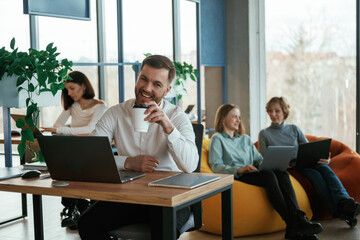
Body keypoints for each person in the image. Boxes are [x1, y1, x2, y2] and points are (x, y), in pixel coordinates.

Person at [77, 55, 198, 240]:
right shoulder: (116, 113)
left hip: (170, 197)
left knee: (163, 230)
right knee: (87, 224)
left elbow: (190, 165)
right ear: (137, 77)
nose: (147, 88)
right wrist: (127, 162)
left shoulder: (176, 116)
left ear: (167, 89)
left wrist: (168, 127)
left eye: (157, 84)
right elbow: (89, 156)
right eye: (144, 79)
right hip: (130, 196)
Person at [209, 103, 323, 240]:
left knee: (281, 172)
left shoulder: (245, 139)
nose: (238, 120)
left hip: (253, 172)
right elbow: (216, 166)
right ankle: (293, 224)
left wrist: (271, 162)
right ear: (223, 119)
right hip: (238, 175)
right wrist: (239, 169)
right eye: (234, 116)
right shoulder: (217, 139)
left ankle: (298, 218)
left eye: (239, 117)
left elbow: (257, 159)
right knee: (269, 176)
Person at [258, 96, 360, 228]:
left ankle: (345, 202)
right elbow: (265, 158)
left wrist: (326, 159)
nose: (273, 114)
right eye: (270, 111)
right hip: (290, 167)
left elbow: (308, 149)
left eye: (276, 111)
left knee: (325, 169)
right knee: (316, 176)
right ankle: (343, 211)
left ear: (284, 112)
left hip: (305, 162)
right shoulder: (265, 134)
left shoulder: (294, 129)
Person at [42, 71, 107, 230]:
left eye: (72, 88)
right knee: (67, 167)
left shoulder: (100, 106)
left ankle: (75, 209)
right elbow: (58, 126)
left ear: (83, 86)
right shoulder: (73, 106)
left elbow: (91, 129)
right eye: (67, 90)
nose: (69, 93)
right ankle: (75, 208)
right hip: (76, 150)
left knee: (73, 166)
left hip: (93, 150)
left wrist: (65, 131)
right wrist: (64, 130)